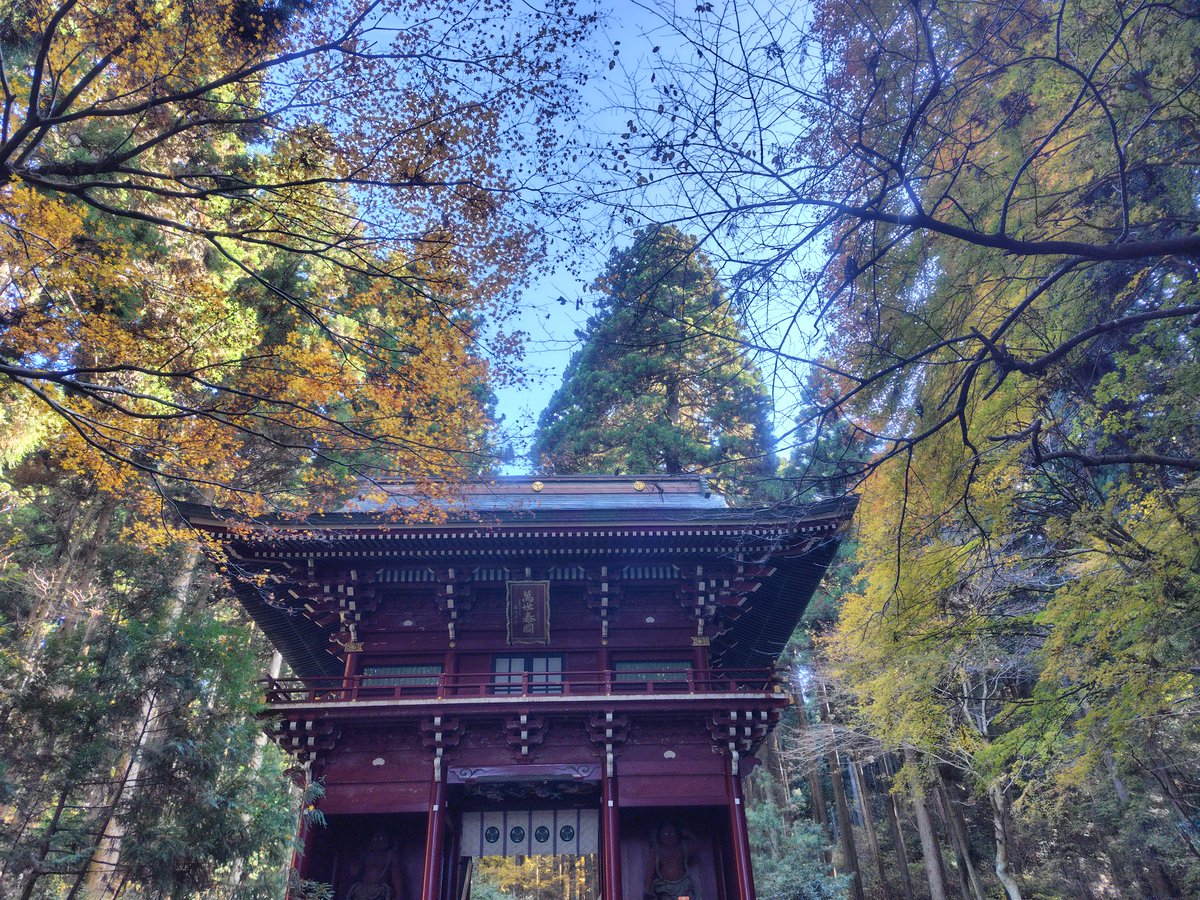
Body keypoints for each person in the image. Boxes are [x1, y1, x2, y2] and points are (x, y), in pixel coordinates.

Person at [643, 820, 702, 900]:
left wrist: (688, 834)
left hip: (683, 886)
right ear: (659, 835)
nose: (669, 837)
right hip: (665, 887)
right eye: (666, 834)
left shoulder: (682, 848)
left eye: (673, 834)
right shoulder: (656, 850)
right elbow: (650, 870)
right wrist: (647, 888)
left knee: (685, 898)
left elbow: (697, 846)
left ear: (678, 835)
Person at [347, 829, 403, 900]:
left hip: (380, 891)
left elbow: (396, 876)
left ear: (388, 840)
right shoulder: (366, 854)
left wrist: (398, 895)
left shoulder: (390, 856)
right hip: (362, 891)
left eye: (381, 838)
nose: (378, 841)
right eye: (375, 838)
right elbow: (354, 872)